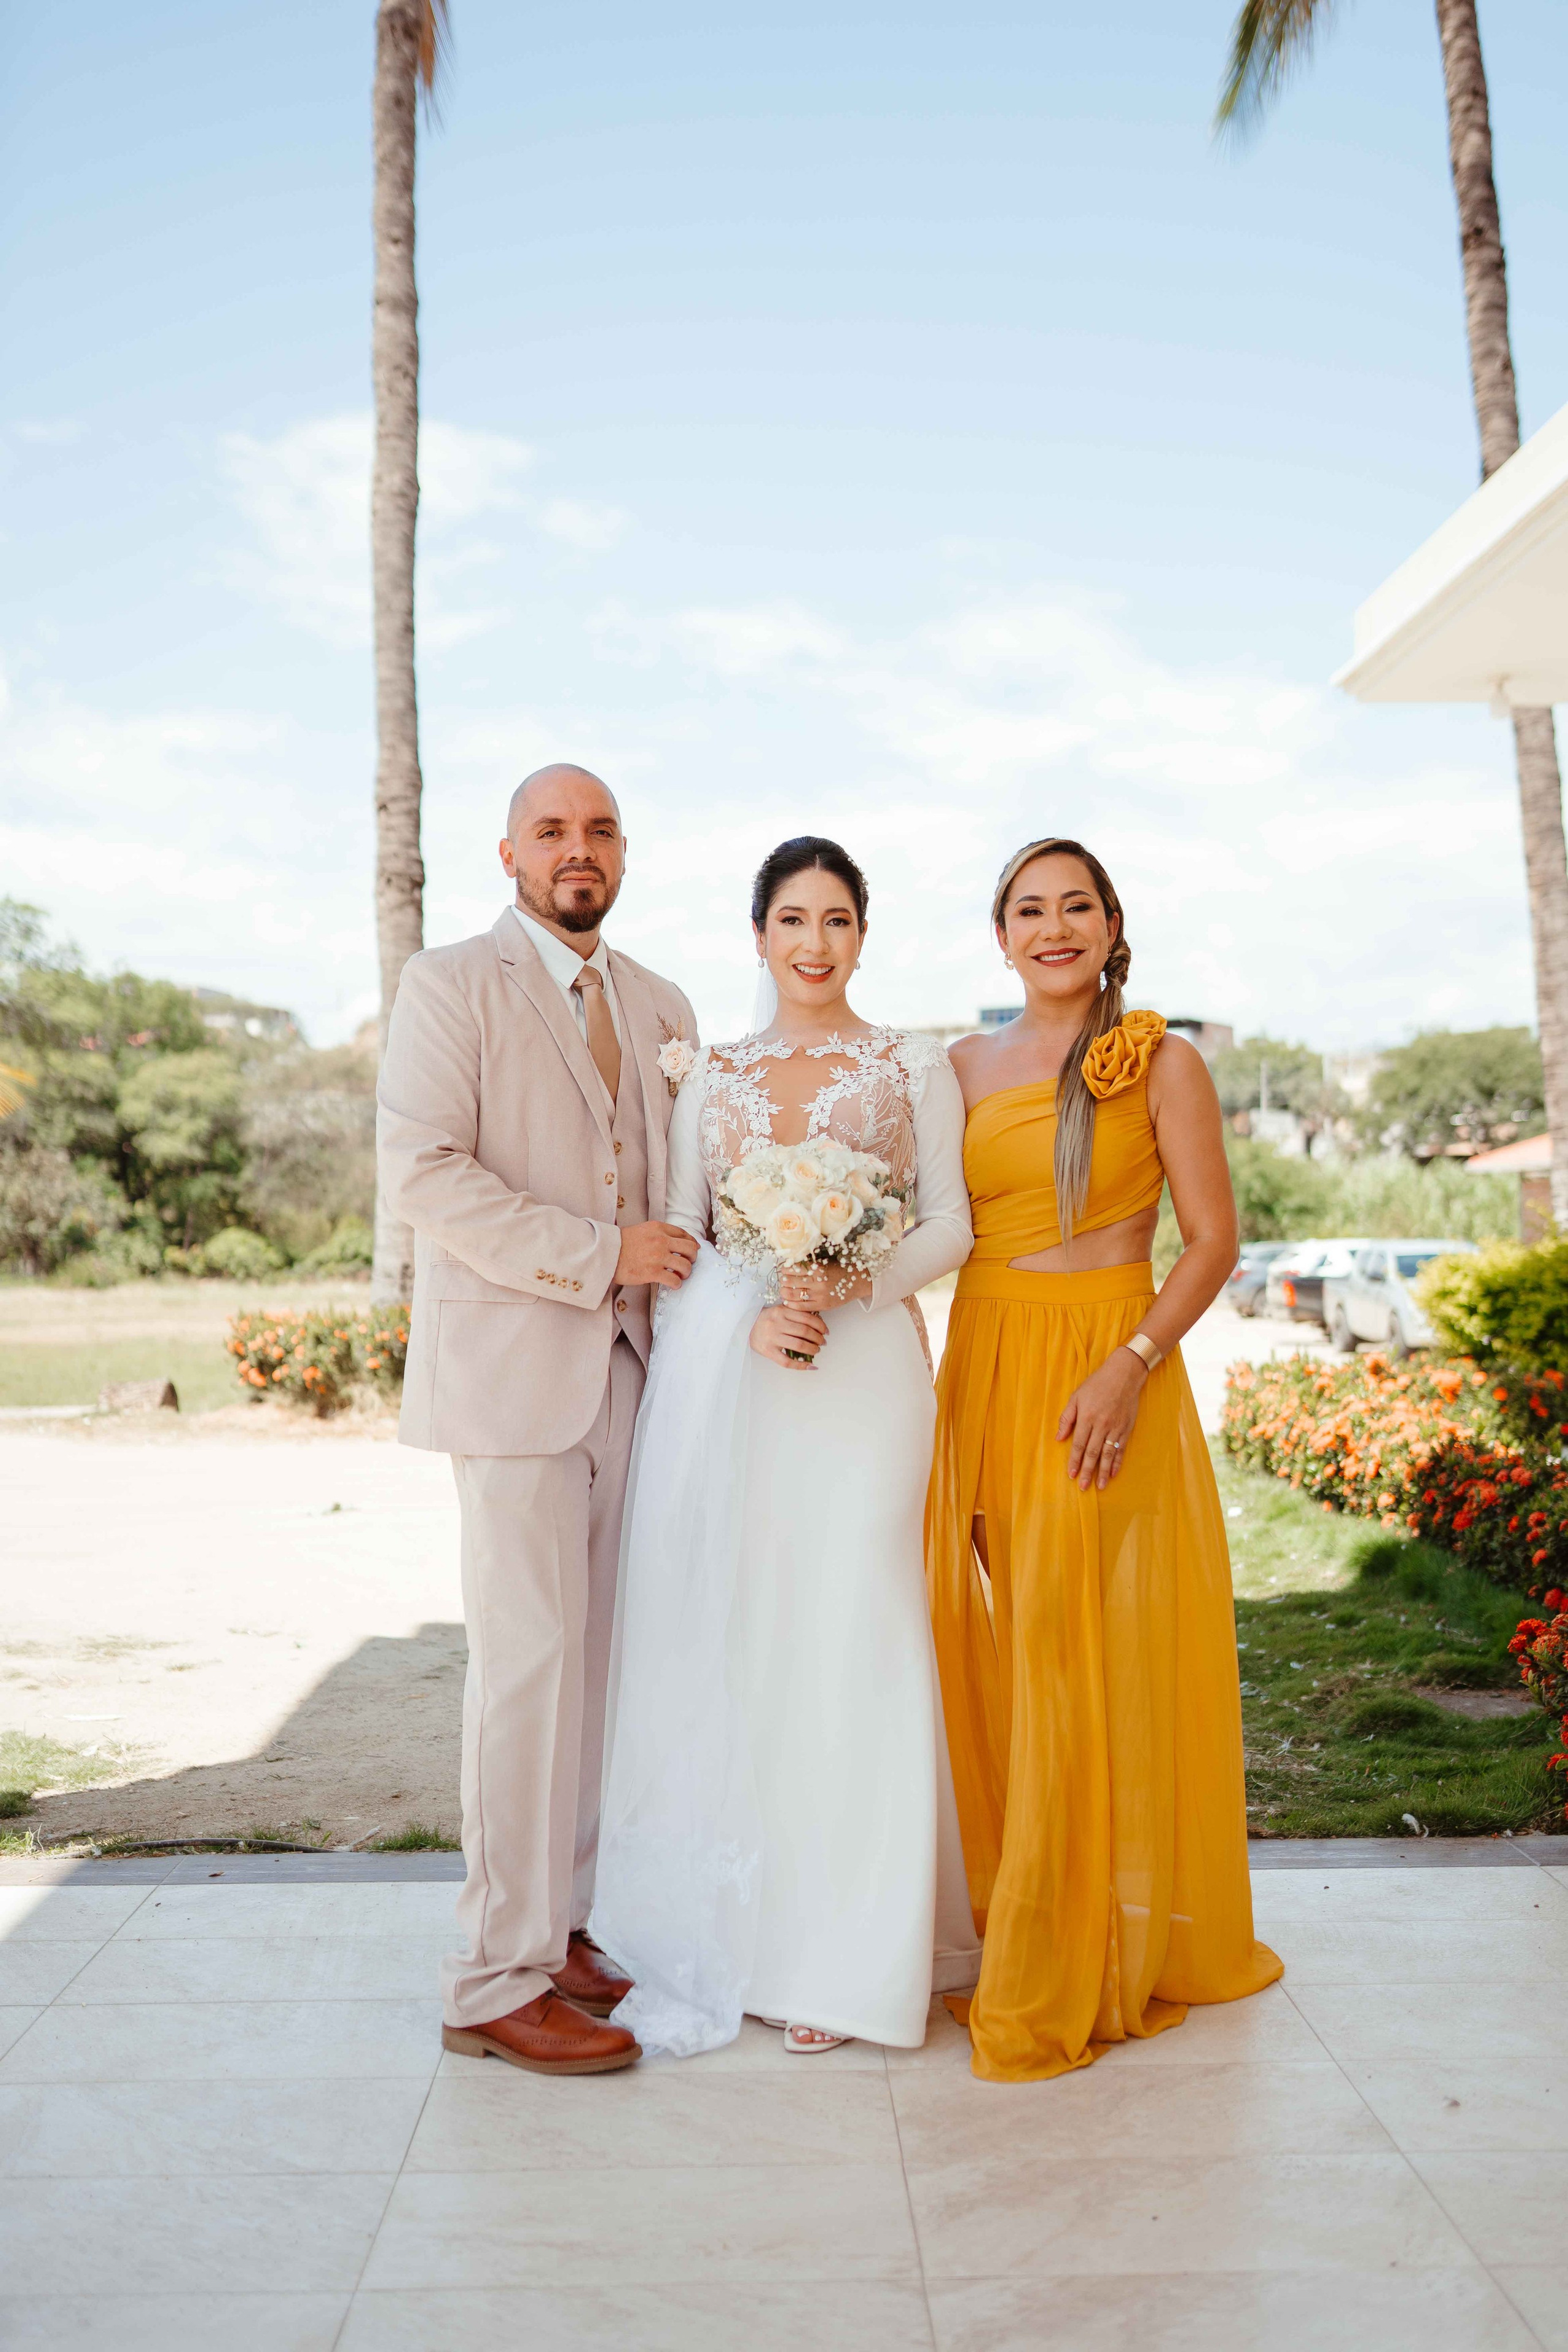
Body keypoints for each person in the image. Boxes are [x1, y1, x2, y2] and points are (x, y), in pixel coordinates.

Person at [590, 837, 981, 2056]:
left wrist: (850, 1274)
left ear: (862, 934)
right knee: (759, 1641)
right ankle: (760, 1944)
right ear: (758, 935)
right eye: (791, 920)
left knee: (861, 1628)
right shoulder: (708, 1075)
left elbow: (951, 1221)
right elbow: (684, 1238)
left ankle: (856, 1964)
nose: (814, 943)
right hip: (750, 1379)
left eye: (836, 921)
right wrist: (751, 1313)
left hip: (867, 1377)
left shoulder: (913, 1064)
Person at [928, 837, 1282, 2084]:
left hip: (1101, 1371)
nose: (1052, 927)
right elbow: (928, 1228)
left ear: (1110, 922)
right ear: (1000, 934)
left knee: (1066, 1652)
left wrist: (1128, 1363)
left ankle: (1053, 1959)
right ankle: (1027, 1908)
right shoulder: (959, 1066)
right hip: (983, 1364)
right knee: (1006, 1647)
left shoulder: (1161, 1061)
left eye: (1074, 905)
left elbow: (1211, 1240)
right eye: (1029, 909)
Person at [377, 763, 700, 2077]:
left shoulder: (663, 1004)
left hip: (636, 1375)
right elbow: (423, 1175)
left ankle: (557, 1932)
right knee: (521, 1674)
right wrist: (596, 1250)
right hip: (513, 1374)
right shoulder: (449, 985)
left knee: (596, 1674)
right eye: (554, 831)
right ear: (506, 855)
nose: (580, 850)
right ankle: (486, 1981)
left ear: (623, 855)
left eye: (602, 829)